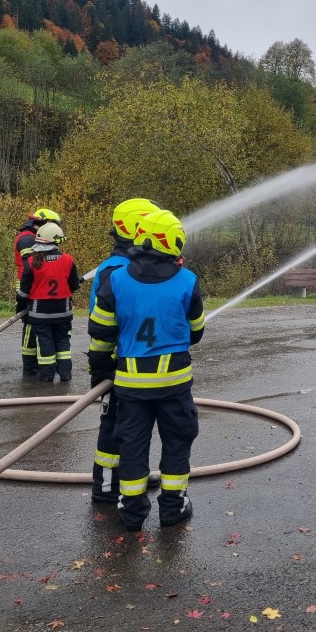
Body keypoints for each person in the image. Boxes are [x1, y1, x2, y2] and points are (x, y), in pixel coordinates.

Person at [87, 209, 205, 530]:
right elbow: (196, 332)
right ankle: (173, 507)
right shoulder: (188, 281)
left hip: (130, 389)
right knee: (177, 442)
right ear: (174, 243)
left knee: (133, 446)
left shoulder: (116, 280)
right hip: (174, 387)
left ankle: (132, 512)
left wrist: (99, 372)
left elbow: (100, 334)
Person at [88, 198, 160, 503]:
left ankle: (131, 478)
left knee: (132, 426)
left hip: (129, 361)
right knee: (115, 426)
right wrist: (101, 366)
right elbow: (103, 326)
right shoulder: (120, 271)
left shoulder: (117, 268)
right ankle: (105, 486)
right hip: (120, 363)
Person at [17, 222, 81, 383]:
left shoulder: (31, 262)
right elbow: (73, 285)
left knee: (44, 342)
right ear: (57, 241)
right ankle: (65, 374)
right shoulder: (68, 260)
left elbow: (24, 292)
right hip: (63, 310)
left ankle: (47, 375)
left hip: (40, 313)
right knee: (63, 341)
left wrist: (20, 308)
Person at [14, 207, 63, 376]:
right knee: (30, 326)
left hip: (38, 285)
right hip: (30, 285)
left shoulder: (32, 237)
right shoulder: (27, 240)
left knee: (38, 325)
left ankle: (37, 366)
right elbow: (31, 268)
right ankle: (30, 368)